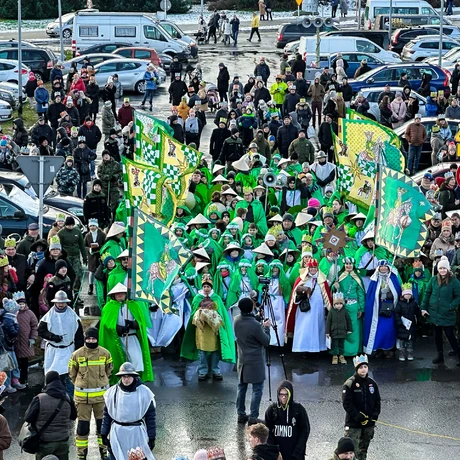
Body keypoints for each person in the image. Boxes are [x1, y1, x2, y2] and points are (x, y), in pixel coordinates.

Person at [69, 327, 113, 460]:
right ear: (85, 339)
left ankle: (104, 451)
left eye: (93, 338)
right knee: (82, 428)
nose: (91, 340)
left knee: (102, 427)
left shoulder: (105, 354)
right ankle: (82, 454)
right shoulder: (77, 354)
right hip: (82, 400)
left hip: (101, 399)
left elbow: (109, 371)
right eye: (88, 338)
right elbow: (72, 374)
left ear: (97, 339)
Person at [99, 283, 154, 384]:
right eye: (117, 293)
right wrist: (118, 328)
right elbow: (105, 324)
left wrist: (133, 324)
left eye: (122, 293)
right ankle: (121, 382)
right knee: (119, 362)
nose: (120, 295)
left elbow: (142, 322)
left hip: (132, 338)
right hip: (116, 339)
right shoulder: (108, 307)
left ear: (126, 294)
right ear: (113, 295)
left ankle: (136, 381)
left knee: (136, 360)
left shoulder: (134, 305)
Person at [101, 362, 156, 460]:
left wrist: (151, 437)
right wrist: (104, 433)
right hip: (118, 433)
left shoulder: (144, 393)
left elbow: (150, 417)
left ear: (134, 377)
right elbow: (107, 415)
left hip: (136, 433)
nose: (126, 380)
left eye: (128, 377)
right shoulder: (112, 393)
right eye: (123, 377)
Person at [24, 370, 77, 460]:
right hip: (63, 441)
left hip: (44, 442)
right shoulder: (67, 398)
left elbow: (28, 418)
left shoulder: (39, 398)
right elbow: (73, 416)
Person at [38, 291, 84, 394]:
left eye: (63, 302)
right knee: (52, 375)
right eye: (59, 302)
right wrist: (52, 337)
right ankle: (52, 395)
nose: (61, 304)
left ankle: (69, 398)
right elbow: (41, 331)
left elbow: (79, 336)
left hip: (68, 350)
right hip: (53, 351)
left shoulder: (72, 316)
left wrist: (78, 351)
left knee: (69, 375)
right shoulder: (49, 316)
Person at [234, 297, 271, 425]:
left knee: (242, 387)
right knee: (257, 389)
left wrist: (256, 318)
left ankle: (241, 414)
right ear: (251, 307)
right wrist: (266, 327)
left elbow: (248, 324)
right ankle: (253, 416)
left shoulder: (236, 320)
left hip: (242, 359)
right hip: (255, 361)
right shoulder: (255, 325)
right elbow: (265, 341)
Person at [421, 256, 460, 365]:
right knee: (437, 335)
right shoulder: (433, 279)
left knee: (450, 335)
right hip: (434, 312)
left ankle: (458, 354)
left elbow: (458, 296)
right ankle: (440, 355)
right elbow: (427, 293)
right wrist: (423, 308)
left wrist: (451, 306)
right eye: (440, 268)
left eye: (444, 268)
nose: (442, 270)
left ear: (448, 269)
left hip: (447, 313)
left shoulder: (454, 281)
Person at [342, 355, 381, 460]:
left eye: (365, 367)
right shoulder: (350, 384)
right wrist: (357, 415)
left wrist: (374, 416)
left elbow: (377, 401)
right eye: (360, 367)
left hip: (369, 423)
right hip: (354, 424)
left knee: (363, 450)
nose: (363, 369)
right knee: (351, 451)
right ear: (356, 368)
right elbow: (347, 404)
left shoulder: (372, 384)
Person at [265, 380, 310, 460]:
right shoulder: (272, 410)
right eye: (281, 394)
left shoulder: (299, 410)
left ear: (290, 394)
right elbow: (268, 431)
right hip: (278, 455)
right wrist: (273, 451)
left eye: (286, 395)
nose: (283, 397)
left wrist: (298, 451)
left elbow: (305, 430)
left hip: (294, 454)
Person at [326, 292, 353, 365]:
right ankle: (335, 356)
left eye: (340, 304)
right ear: (334, 304)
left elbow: (348, 320)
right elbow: (328, 322)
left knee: (341, 345)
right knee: (334, 345)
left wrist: (349, 329)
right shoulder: (331, 312)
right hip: (334, 332)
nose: (339, 306)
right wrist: (327, 332)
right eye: (337, 304)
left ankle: (341, 356)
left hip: (342, 332)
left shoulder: (344, 311)